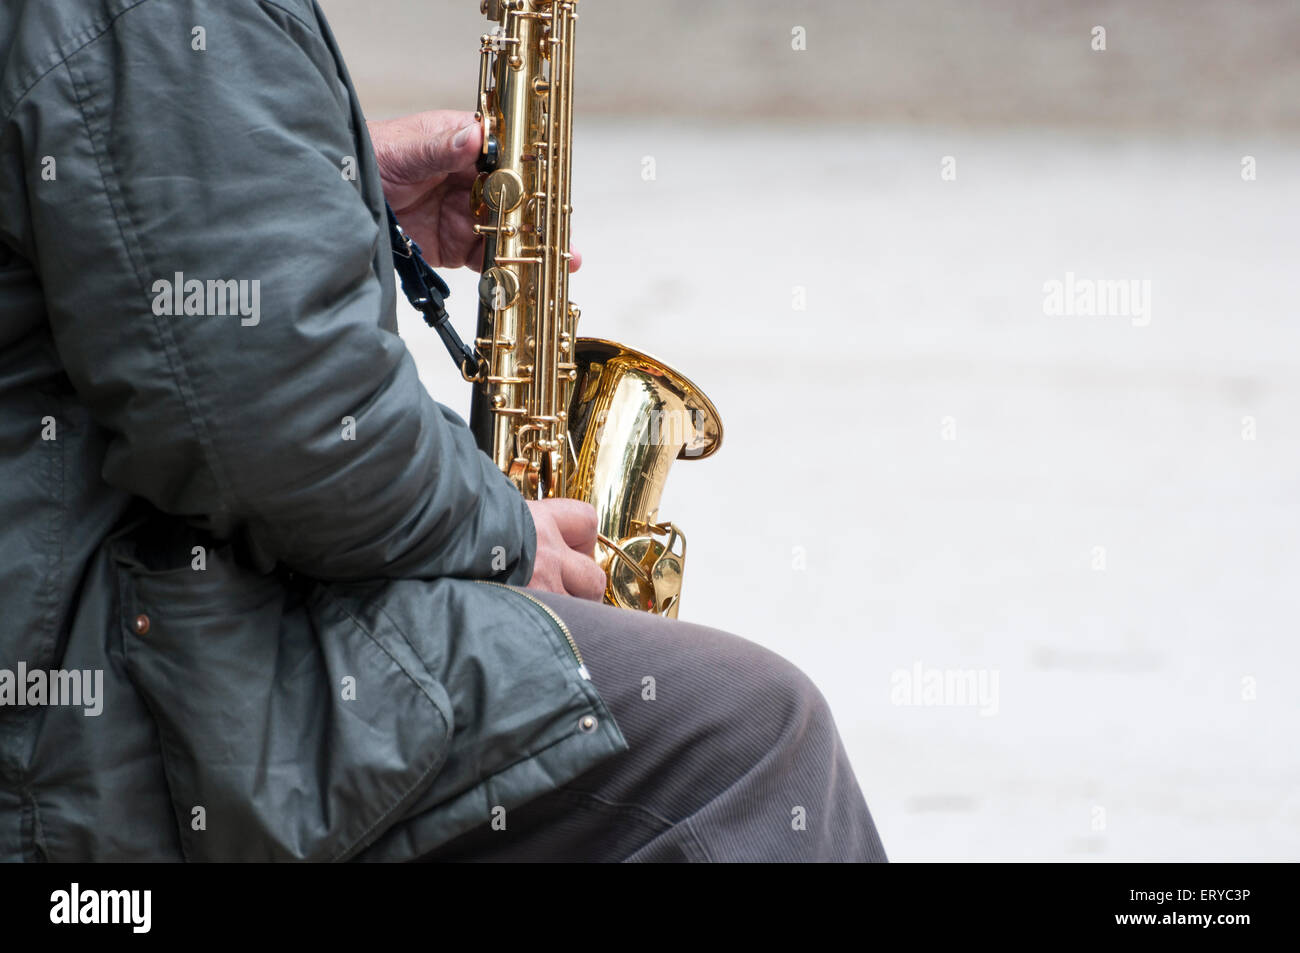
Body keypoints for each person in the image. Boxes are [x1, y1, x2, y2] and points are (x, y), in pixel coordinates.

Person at [0, 0, 887, 862]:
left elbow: (124, 167)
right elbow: (292, 433)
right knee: (752, 737)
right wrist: (506, 531)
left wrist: (320, 181)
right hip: (92, 715)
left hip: (79, 621)